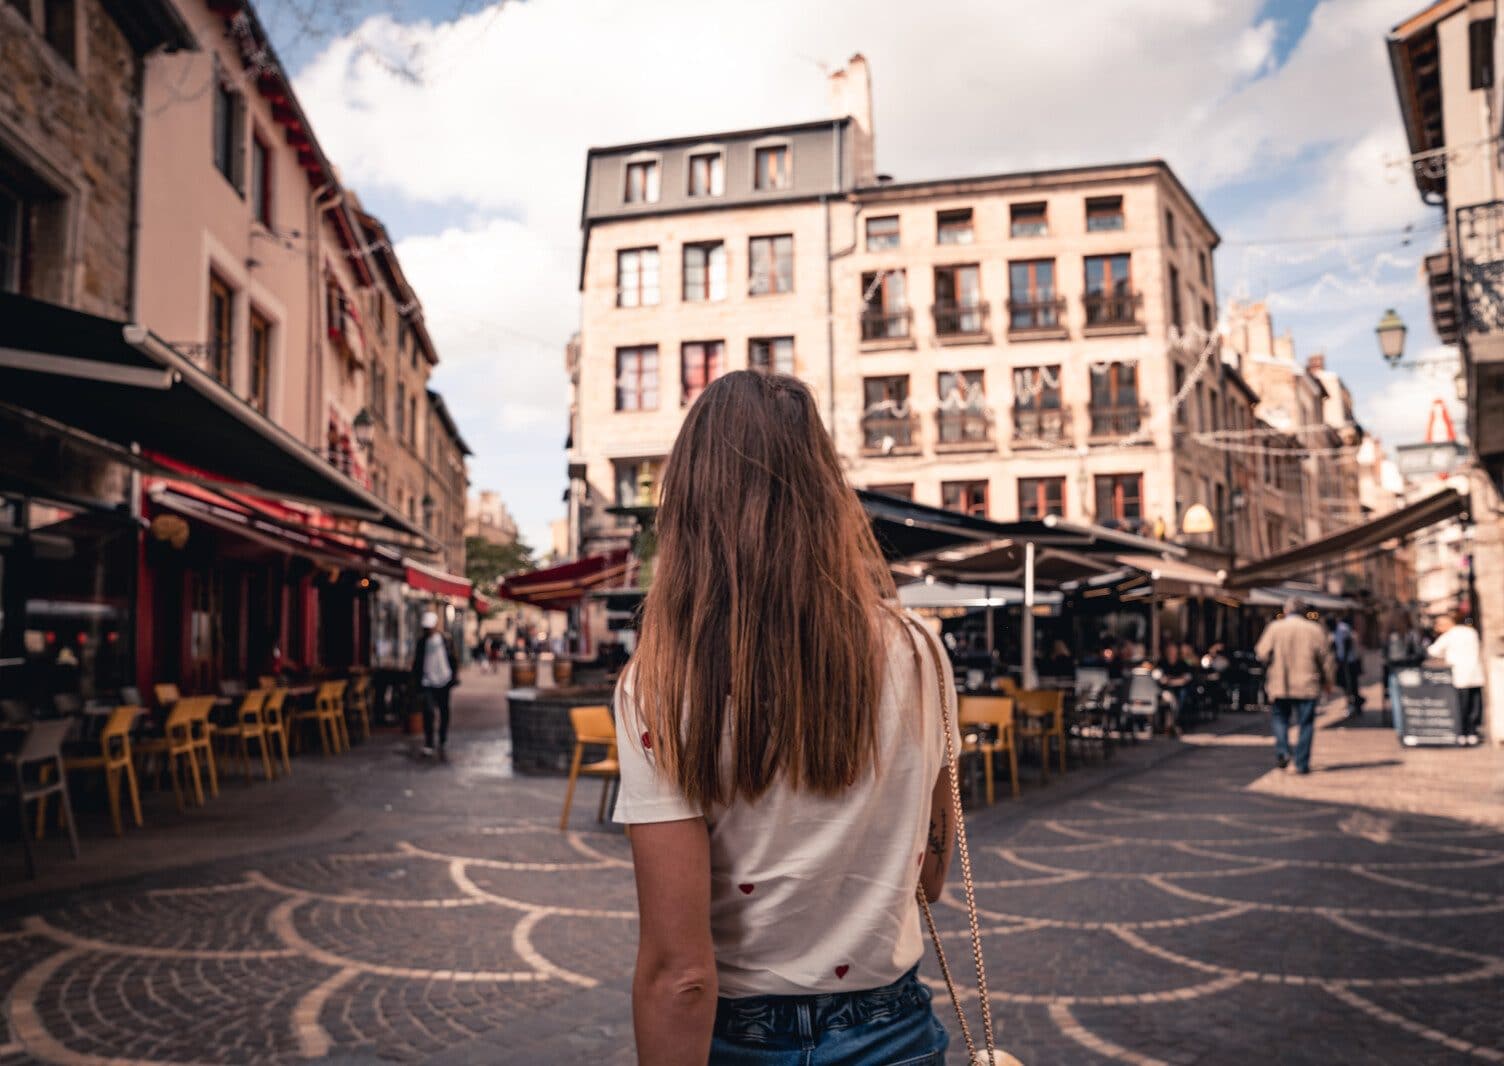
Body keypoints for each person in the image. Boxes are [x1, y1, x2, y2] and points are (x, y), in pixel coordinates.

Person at [612, 371, 956, 1065]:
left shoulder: (661, 684)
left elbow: (680, 975)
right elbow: (931, 875)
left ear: (689, 505)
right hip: (895, 1029)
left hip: (745, 1037)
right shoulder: (919, 651)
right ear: (827, 494)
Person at [1255, 598, 1336, 774]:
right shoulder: (1315, 629)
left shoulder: (1275, 628)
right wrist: (1329, 682)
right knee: (1305, 723)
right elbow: (1327, 659)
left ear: (1286, 610)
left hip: (1280, 683)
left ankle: (1283, 751)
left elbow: (1261, 653)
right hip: (1307, 684)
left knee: (1280, 719)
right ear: (1304, 611)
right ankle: (1301, 762)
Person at [1427, 612, 1485, 744]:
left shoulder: (1449, 635)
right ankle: (1473, 732)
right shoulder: (1471, 632)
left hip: (1460, 675)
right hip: (1475, 673)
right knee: (1475, 706)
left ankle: (1463, 733)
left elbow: (1433, 651)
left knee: (1462, 706)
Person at [410, 610, 458, 759]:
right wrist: (416, 680)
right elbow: (417, 663)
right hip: (427, 681)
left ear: (436, 626)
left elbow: (453, 659)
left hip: (444, 680)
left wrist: (453, 676)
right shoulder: (422, 642)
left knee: (444, 711)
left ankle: (442, 738)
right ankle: (429, 742)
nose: (428, 630)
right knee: (428, 711)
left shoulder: (446, 640)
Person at [1333, 616, 1362, 717]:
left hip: (1349, 662)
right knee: (1346, 685)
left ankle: (1356, 705)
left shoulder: (1343, 629)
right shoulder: (1337, 629)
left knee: (1352, 685)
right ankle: (1352, 704)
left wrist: (1344, 660)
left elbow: (1347, 643)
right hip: (1344, 661)